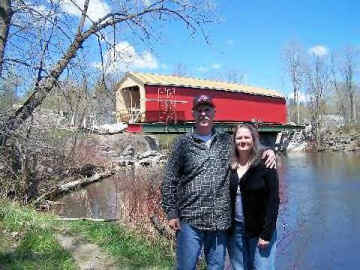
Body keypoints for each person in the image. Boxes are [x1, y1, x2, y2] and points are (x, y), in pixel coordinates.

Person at [161, 95, 276, 270]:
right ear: (193, 113)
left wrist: (268, 150)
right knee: (186, 267)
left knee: (216, 267)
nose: (203, 114)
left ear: (214, 113)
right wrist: (171, 212)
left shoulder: (225, 141)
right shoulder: (182, 144)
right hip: (190, 221)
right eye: (199, 110)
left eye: (207, 110)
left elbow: (246, 144)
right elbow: (169, 179)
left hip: (220, 224)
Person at [228, 124, 280, 270]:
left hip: (260, 230)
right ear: (234, 141)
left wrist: (267, 233)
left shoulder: (266, 163)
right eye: (239, 138)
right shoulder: (230, 165)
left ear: (254, 139)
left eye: (246, 137)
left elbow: (274, 201)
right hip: (235, 232)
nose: (243, 141)